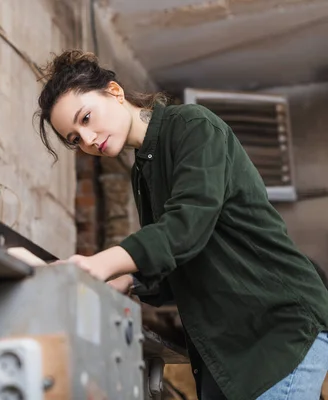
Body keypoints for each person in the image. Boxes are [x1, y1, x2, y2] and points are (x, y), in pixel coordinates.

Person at [35, 49, 328, 400]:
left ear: (114, 91)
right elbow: (182, 257)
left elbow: (187, 226)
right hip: (227, 349)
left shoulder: (192, 126)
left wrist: (100, 263)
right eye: (74, 139)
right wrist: (127, 279)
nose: (87, 140)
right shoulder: (143, 171)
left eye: (85, 118)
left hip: (277, 329)